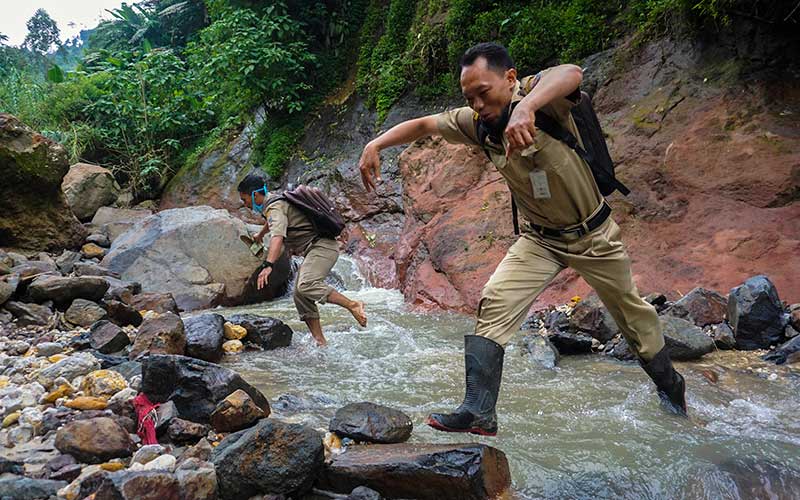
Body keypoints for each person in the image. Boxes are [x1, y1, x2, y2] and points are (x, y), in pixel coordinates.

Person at [358, 42, 686, 436]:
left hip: (593, 236)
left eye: (484, 92)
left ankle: (670, 388)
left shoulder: (541, 98)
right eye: (469, 97)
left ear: (510, 78)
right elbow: (425, 125)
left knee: (634, 319)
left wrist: (528, 107)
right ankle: (479, 411)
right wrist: (375, 143)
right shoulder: (478, 124)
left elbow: (572, 71)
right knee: (495, 299)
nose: (478, 104)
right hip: (540, 241)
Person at [238, 173, 367, 346]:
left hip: (322, 248)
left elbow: (277, 236)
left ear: (254, 195)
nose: (245, 204)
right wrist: (261, 234)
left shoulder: (274, 207)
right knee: (299, 294)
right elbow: (273, 222)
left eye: (244, 199)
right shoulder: (275, 202)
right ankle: (320, 341)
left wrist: (268, 265)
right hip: (316, 248)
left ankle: (353, 304)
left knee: (306, 284)